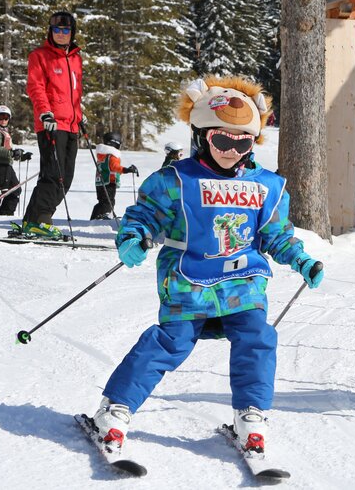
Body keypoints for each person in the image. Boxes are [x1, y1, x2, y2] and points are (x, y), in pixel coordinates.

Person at [87, 75, 324, 458]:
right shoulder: (175, 180)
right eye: (222, 140)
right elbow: (144, 215)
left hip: (243, 284)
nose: (232, 150)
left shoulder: (268, 186)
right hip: (187, 282)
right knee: (171, 343)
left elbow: (276, 235)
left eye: (241, 141)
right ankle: (114, 410)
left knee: (256, 337)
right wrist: (134, 237)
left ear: (253, 142)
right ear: (202, 136)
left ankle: (252, 416)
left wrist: (302, 259)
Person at [21, 11, 85, 239]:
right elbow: (35, 87)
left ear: (72, 33)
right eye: (57, 29)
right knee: (53, 174)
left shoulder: (76, 58)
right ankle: (42, 219)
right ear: (50, 31)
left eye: (65, 30)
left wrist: (79, 114)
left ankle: (31, 221)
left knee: (66, 177)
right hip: (51, 123)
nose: (60, 34)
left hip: (72, 125)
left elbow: (75, 93)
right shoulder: (39, 56)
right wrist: (45, 113)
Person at [0, 105, 33, 215]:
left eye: (6, 117)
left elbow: (8, 150)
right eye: (0, 117)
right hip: (0, 165)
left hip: (6, 165)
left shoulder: (3, 131)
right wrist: (11, 153)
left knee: (14, 190)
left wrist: (21, 156)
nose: (4, 120)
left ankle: (6, 213)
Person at [89, 131, 138, 220]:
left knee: (102, 201)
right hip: (109, 182)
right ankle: (105, 215)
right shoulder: (112, 155)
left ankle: (95, 217)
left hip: (100, 182)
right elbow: (114, 167)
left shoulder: (102, 155)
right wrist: (126, 170)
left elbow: (108, 168)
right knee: (109, 201)